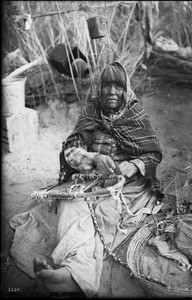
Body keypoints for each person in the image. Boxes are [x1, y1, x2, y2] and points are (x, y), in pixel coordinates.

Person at [33, 61, 163, 297]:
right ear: (99, 89)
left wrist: (133, 165)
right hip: (89, 181)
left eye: (118, 86)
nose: (112, 91)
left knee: (103, 215)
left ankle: (70, 273)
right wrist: (93, 158)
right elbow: (70, 151)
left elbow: (153, 154)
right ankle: (72, 274)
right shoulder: (91, 112)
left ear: (127, 90)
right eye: (107, 86)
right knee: (71, 206)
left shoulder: (136, 115)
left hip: (126, 188)